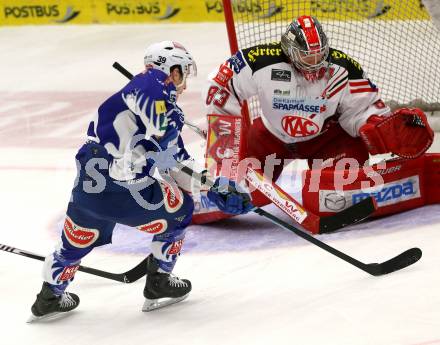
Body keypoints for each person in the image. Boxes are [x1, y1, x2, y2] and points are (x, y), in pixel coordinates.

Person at [29, 41, 253, 321]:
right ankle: (159, 281)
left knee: (74, 242)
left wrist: (211, 184)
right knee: (181, 208)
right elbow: (171, 157)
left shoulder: (144, 97)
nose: (183, 85)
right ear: (171, 70)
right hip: (125, 189)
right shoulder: (152, 85)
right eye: (183, 73)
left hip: (89, 185)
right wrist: (215, 186)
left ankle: (49, 295)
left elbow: (171, 161)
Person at [195, 15, 435, 228]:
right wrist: (222, 167)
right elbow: (221, 86)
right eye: (307, 56)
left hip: (326, 141)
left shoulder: (343, 68)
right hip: (269, 139)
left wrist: (378, 126)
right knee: (236, 196)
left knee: (331, 194)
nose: (315, 61)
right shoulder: (259, 61)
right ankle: (185, 200)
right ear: (290, 51)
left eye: (319, 53)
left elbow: (362, 109)